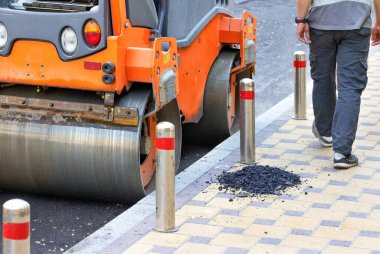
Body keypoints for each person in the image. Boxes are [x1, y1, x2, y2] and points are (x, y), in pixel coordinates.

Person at [296, 0, 380, 169]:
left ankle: (326, 133)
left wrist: (301, 20)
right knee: (350, 87)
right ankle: (342, 153)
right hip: (357, 21)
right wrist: (378, 21)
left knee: (323, 79)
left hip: (321, 22)